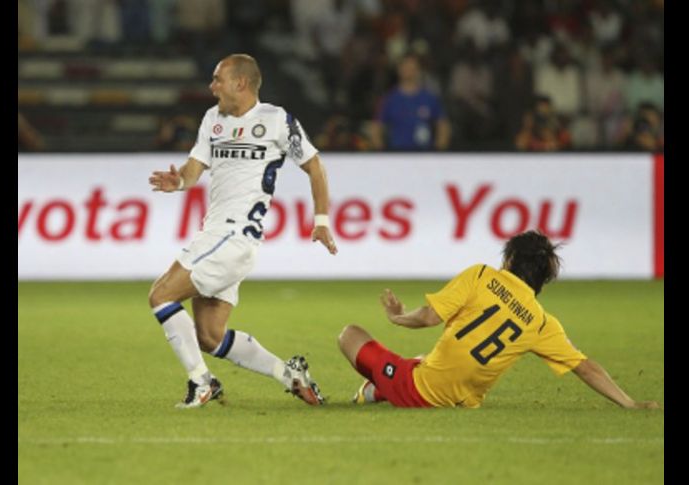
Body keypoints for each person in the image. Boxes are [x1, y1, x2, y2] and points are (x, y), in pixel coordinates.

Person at [148, 54, 337, 409]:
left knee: (160, 295)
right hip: (222, 238)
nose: (212, 86)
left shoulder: (276, 120)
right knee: (209, 336)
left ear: (241, 83)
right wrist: (179, 182)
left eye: (218, 79)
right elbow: (193, 169)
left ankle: (201, 382)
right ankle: (289, 374)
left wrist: (322, 221)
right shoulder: (212, 119)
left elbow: (315, 166)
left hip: (231, 237)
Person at [338, 230, 659, 410]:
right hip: (464, 400)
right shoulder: (541, 322)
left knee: (349, 335)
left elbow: (429, 317)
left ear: (509, 259)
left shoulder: (481, 276)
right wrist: (629, 403)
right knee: (422, 360)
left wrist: (397, 317)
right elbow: (585, 367)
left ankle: (377, 387)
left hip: (421, 391)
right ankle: (374, 390)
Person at [370, 54, 451, 151]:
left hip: (424, 156)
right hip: (397, 155)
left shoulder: (430, 98)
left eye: (412, 67)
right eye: (405, 66)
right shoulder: (389, 99)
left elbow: (443, 126)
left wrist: (438, 152)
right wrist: (383, 154)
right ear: (399, 69)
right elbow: (376, 127)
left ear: (418, 70)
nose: (408, 70)